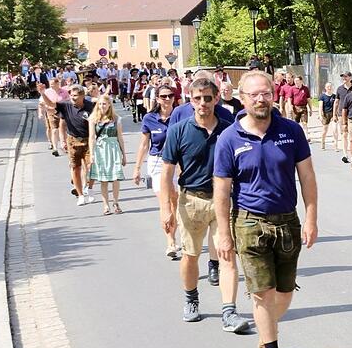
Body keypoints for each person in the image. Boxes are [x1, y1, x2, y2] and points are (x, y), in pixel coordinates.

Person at [213, 71, 318, 348]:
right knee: (262, 293)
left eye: (266, 93)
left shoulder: (291, 131)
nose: (261, 100)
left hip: (287, 220)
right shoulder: (229, 138)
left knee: (284, 293)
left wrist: (311, 218)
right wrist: (223, 233)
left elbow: (307, 177)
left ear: (274, 95)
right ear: (242, 98)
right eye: (254, 95)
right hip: (249, 222)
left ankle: (266, 329)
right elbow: (222, 190)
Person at [160, 77, 249, 334]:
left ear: (216, 99)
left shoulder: (229, 130)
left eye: (208, 98)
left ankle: (229, 311)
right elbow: (167, 172)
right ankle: (191, 298)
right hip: (191, 201)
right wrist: (166, 208)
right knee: (190, 255)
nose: (203, 103)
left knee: (226, 254)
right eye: (197, 98)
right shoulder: (178, 130)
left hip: (224, 202)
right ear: (190, 100)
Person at [134, 84, 180, 258]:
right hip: (158, 162)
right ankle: (170, 242)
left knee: (175, 201)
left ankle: (176, 233)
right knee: (164, 202)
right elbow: (144, 144)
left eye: (170, 96)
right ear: (158, 99)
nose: (167, 99)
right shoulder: (149, 118)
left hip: (177, 163)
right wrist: (137, 168)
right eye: (163, 96)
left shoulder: (180, 116)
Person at [39, 83, 96, 205]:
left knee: (91, 167)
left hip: (88, 140)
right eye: (71, 95)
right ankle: (80, 195)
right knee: (75, 168)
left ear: (82, 96)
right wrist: (43, 93)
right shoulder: (66, 105)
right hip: (73, 141)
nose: (72, 97)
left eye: (75, 95)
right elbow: (51, 104)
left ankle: (89, 188)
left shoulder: (90, 106)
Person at [87, 94, 126, 215]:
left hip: (113, 148)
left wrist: (124, 154)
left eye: (104, 103)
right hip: (101, 149)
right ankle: (106, 205)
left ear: (109, 104)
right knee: (103, 179)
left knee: (115, 178)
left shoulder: (116, 119)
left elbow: (120, 137)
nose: (102, 106)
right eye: (100, 104)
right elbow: (91, 137)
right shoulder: (93, 119)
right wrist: (92, 154)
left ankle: (116, 202)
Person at [169, 71, 235, 124]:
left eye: (206, 85)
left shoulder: (225, 114)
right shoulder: (179, 113)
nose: (202, 102)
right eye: (198, 85)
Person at [318, 82, 336, 150]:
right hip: (325, 114)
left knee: (335, 129)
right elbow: (320, 106)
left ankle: (335, 145)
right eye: (328, 86)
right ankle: (323, 142)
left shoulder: (334, 96)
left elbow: (336, 105)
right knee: (325, 130)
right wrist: (320, 115)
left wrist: (335, 114)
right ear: (325, 88)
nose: (329, 88)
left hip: (333, 114)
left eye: (330, 86)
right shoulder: (322, 96)